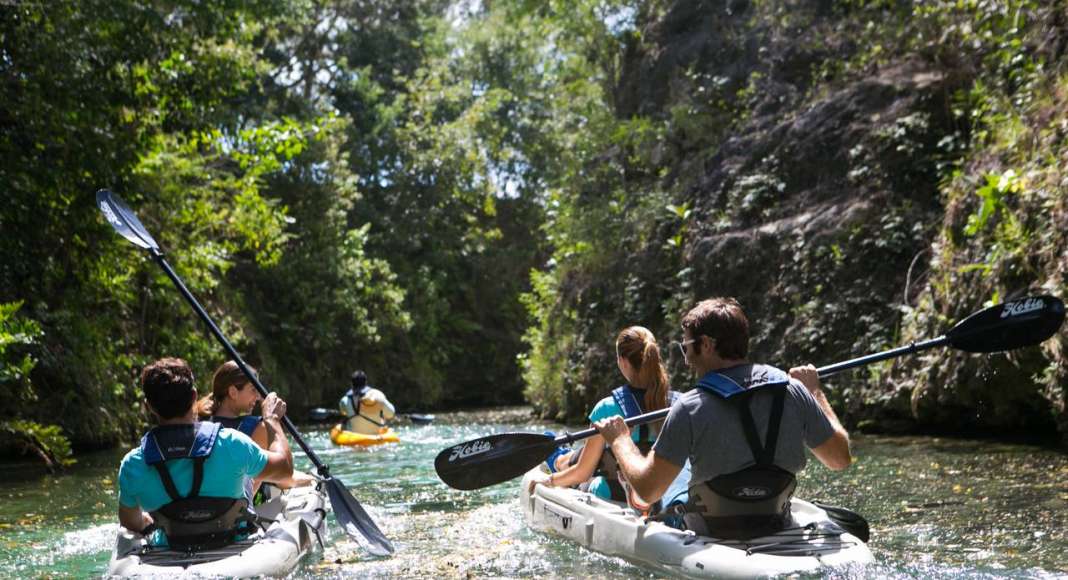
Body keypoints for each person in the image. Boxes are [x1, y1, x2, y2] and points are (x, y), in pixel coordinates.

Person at [594, 297, 852, 539]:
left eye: (686, 348)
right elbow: (840, 459)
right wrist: (814, 392)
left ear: (706, 344)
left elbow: (649, 489)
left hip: (710, 528)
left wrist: (620, 441)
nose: (686, 361)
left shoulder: (688, 407)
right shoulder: (793, 391)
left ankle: (633, 498)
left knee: (675, 474)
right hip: (774, 518)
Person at [117, 357, 295, 548]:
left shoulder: (132, 464)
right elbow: (285, 468)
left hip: (169, 554)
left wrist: (144, 521)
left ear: (149, 406)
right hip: (233, 551)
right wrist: (272, 419)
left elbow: (130, 522)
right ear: (194, 396)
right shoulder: (232, 443)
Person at [534, 326, 689, 511]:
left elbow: (582, 474)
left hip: (611, 492)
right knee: (590, 455)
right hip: (664, 490)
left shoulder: (607, 408)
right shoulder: (681, 404)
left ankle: (558, 460)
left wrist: (548, 481)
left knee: (593, 470)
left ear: (622, 362)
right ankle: (560, 458)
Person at [197, 360, 314, 495]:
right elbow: (283, 477)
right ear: (233, 392)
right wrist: (312, 480)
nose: (258, 397)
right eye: (253, 389)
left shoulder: (199, 423)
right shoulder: (258, 428)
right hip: (237, 511)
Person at [338, 370, 395, 435]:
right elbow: (391, 414)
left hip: (353, 439)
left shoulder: (344, 400)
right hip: (375, 438)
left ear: (352, 384)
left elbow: (343, 412)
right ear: (365, 382)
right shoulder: (378, 396)